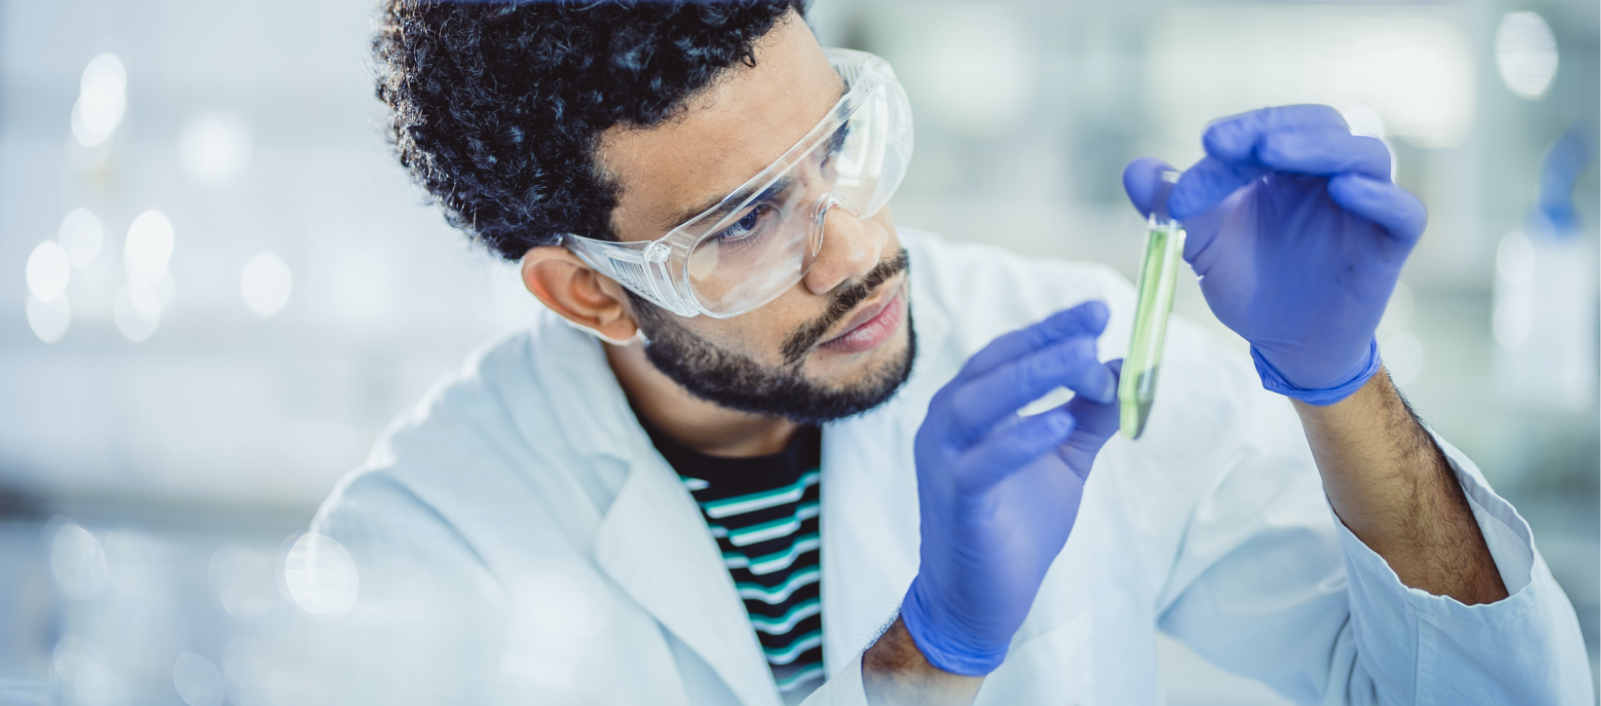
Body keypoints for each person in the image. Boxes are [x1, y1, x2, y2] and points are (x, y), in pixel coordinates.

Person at [312, 2, 1593, 704]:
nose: (856, 244)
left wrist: (1339, 381)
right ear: (588, 291)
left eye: (838, 142)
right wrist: (929, 655)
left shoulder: (1057, 349)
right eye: (748, 220)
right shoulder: (425, 547)